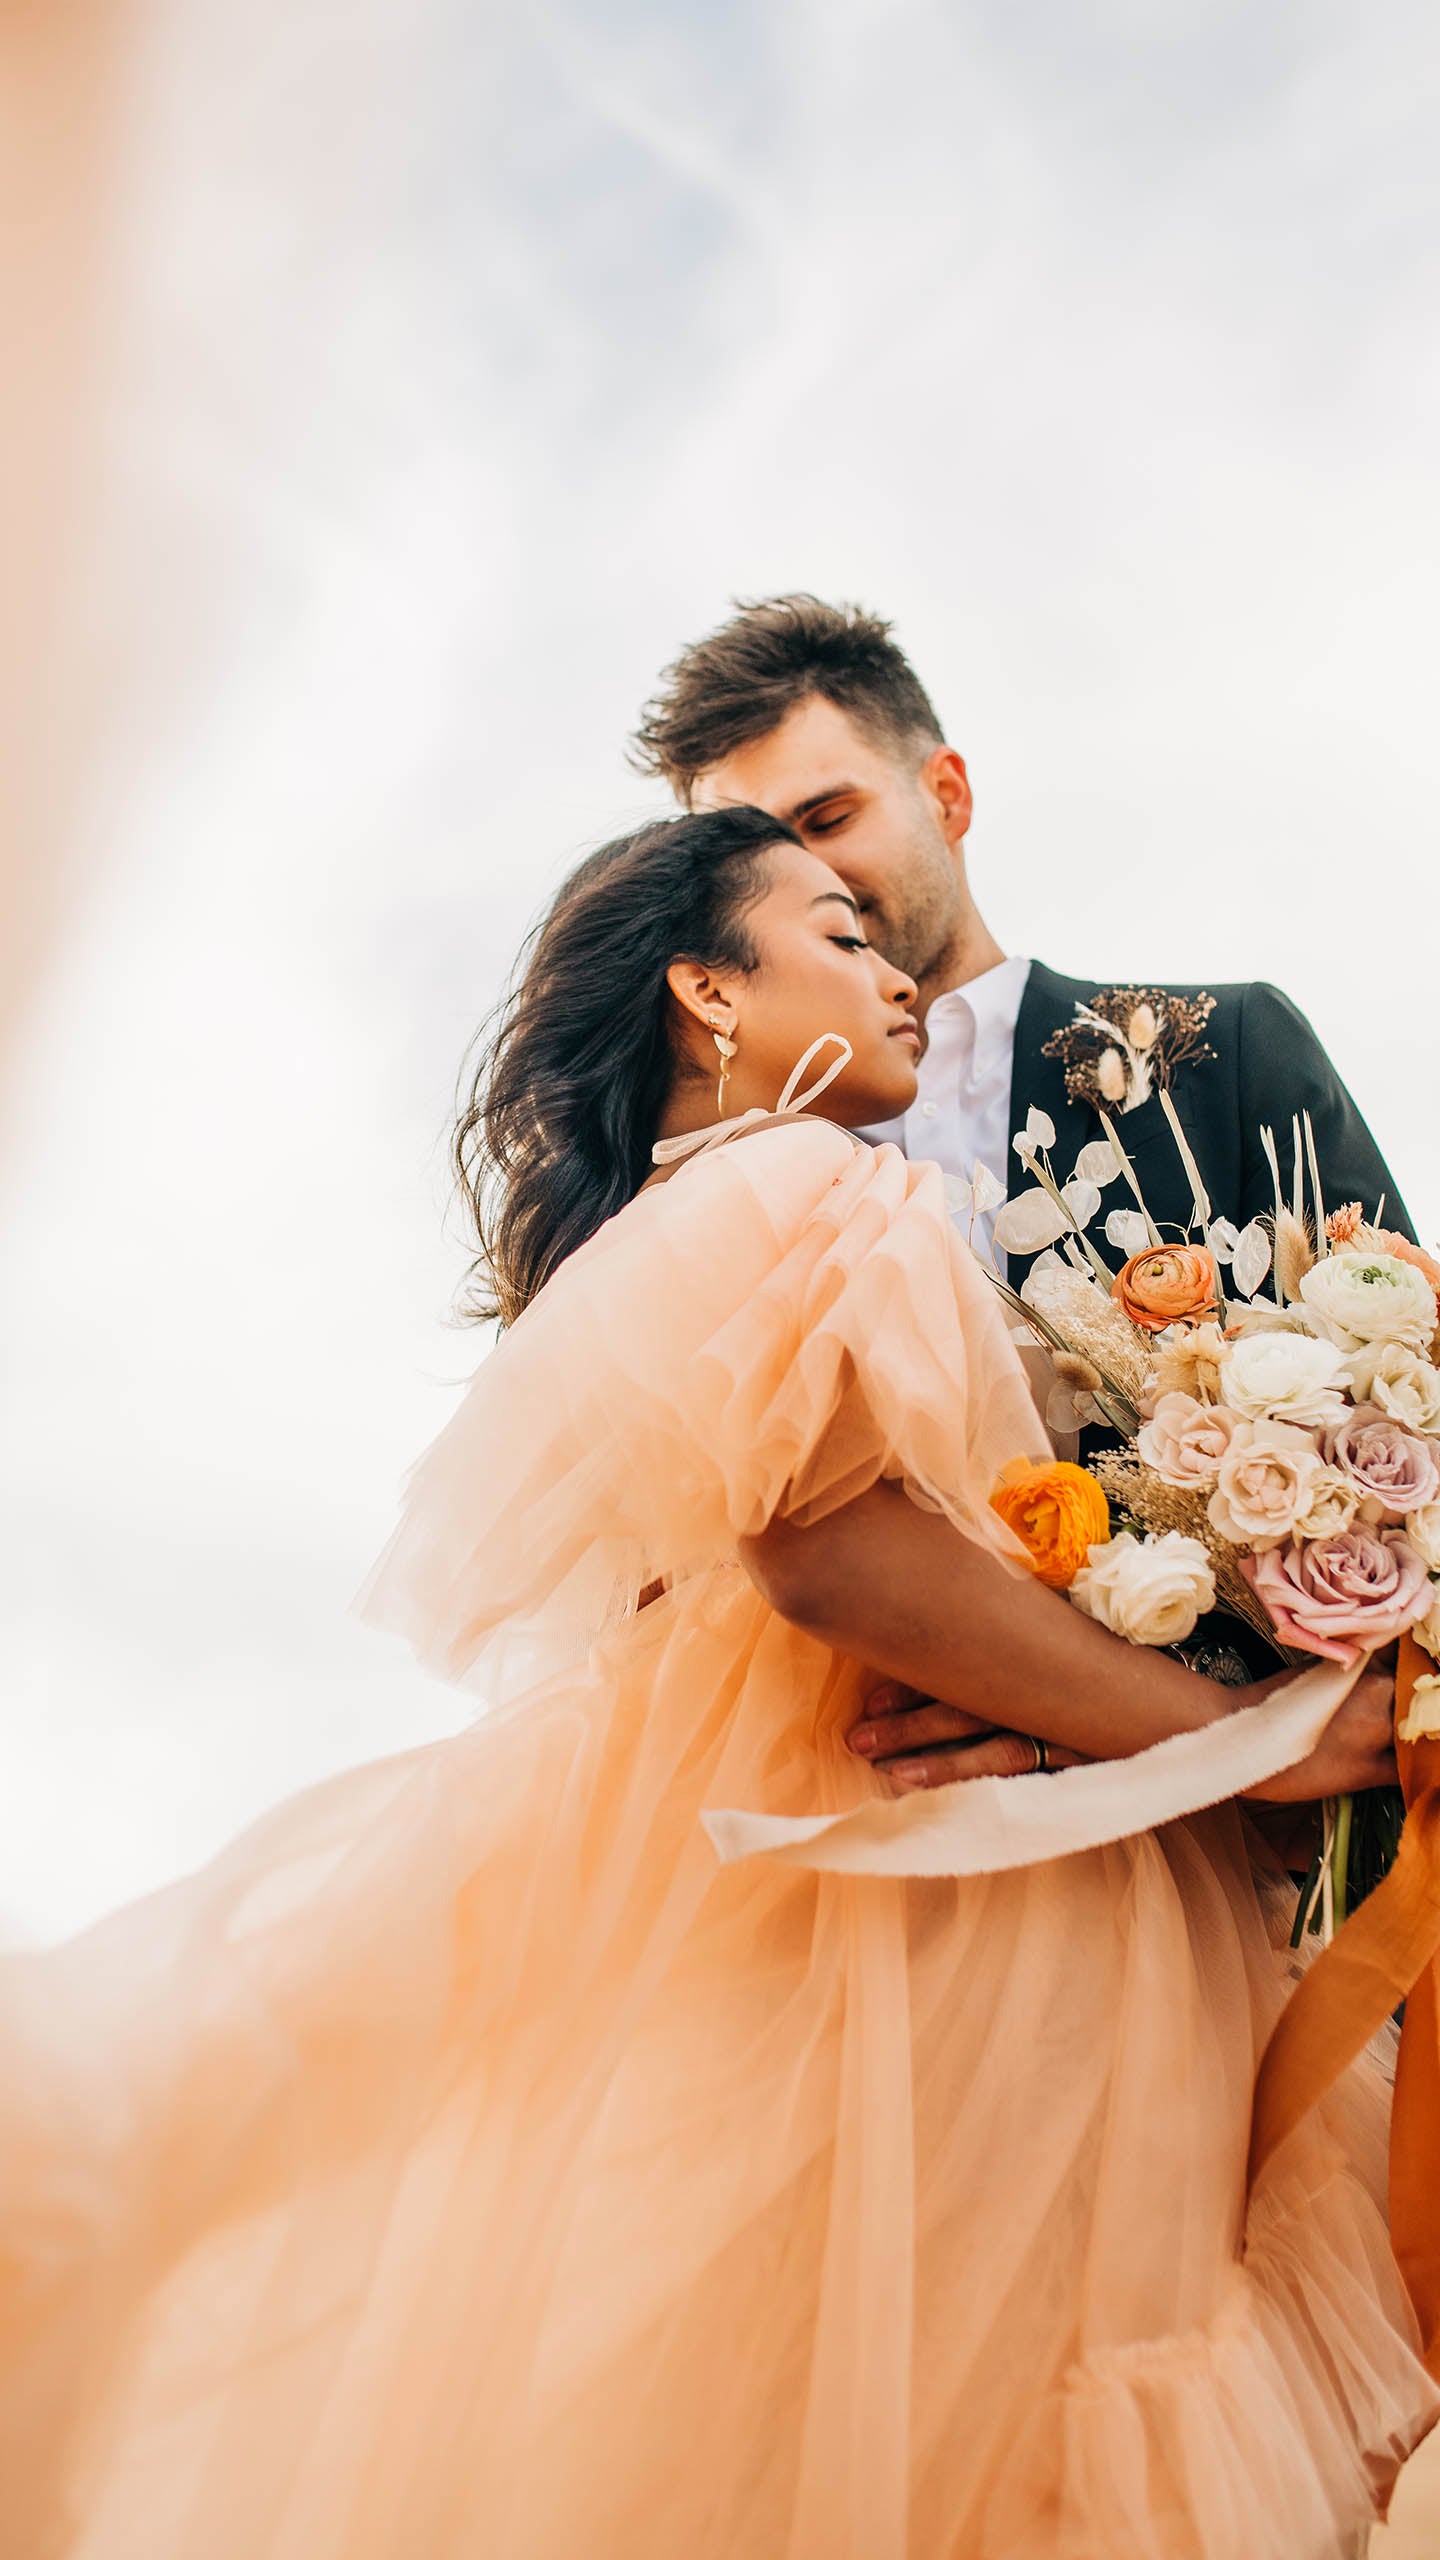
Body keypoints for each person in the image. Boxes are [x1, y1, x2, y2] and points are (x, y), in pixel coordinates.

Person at [0, 808, 1431, 2560]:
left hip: (789, 1932)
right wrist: (1243, 1746)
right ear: (706, 988)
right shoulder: (822, 1184)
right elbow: (830, 1558)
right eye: (837, 931)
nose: (896, 969)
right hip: (961, 1936)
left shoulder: (670, 1242)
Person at [630, 594, 1418, 1782]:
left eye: (830, 815)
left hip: (1277, 1848)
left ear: (945, 793)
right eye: (755, 860)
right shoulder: (716, 1195)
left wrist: (1135, 1725)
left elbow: (1413, 1445)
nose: (812, 882)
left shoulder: (1225, 1050)